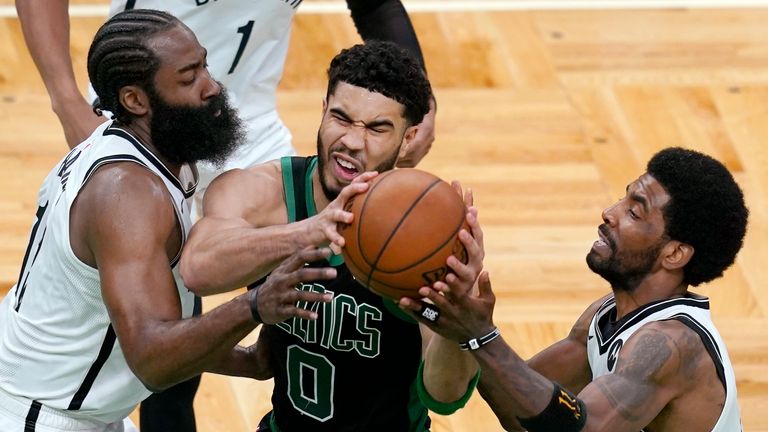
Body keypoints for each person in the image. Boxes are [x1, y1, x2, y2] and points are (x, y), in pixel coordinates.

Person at [15, 1, 436, 429]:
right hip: (46, 415)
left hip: (86, 406)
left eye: (205, 67)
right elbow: (153, 356)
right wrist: (254, 306)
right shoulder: (128, 192)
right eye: (190, 76)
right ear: (136, 100)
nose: (214, 87)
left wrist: (250, 360)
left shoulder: (156, 157)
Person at [180, 40, 480, 431]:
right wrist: (309, 231)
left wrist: (459, 318)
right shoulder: (263, 193)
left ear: (408, 139)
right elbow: (198, 269)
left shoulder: (424, 238)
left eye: (377, 128)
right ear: (322, 111)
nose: (352, 141)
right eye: (341, 118)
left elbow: (445, 397)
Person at [401, 147, 748, 431]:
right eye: (623, 199)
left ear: (674, 254)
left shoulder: (669, 346)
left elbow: (579, 430)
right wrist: (459, 318)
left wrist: (479, 335)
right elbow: (523, 412)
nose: (610, 213)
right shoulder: (607, 315)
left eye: (635, 213)